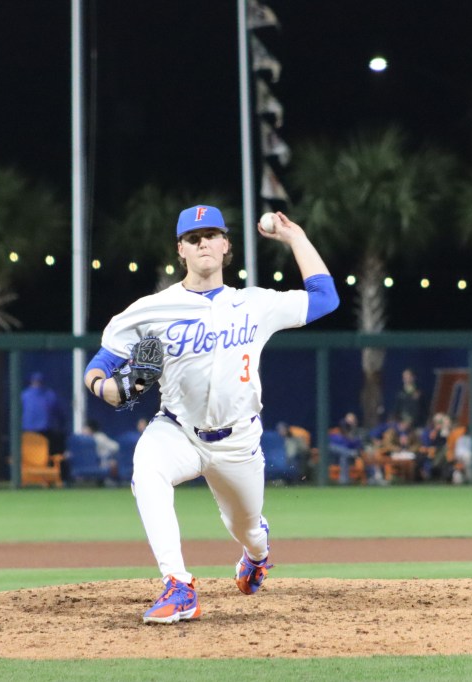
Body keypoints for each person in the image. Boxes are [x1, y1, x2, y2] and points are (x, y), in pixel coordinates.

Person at [83, 205, 338, 623]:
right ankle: (178, 586)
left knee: (249, 530)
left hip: (238, 441)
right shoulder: (151, 309)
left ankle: (255, 557)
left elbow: (326, 299)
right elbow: (100, 364)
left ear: (226, 246)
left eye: (211, 235)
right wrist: (104, 387)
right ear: (180, 250)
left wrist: (295, 238)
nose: (203, 243)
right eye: (192, 238)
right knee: (147, 469)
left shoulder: (255, 304)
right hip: (178, 431)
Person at [21, 372, 66, 456]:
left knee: (32, 454)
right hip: (42, 432)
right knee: (44, 454)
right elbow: (59, 414)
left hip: (30, 432)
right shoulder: (49, 395)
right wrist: (61, 425)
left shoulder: (24, 395)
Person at [327, 412, 365, 485]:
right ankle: (349, 453)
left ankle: (343, 482)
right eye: (348, 422)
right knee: (332, 447)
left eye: (352, 421)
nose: (349, 424)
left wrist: (350, 437)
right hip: (333, 457)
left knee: (344, 456)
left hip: (351, 459)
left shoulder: (358, 433)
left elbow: (358, 446)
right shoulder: (336, 433)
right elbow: (330, 445)